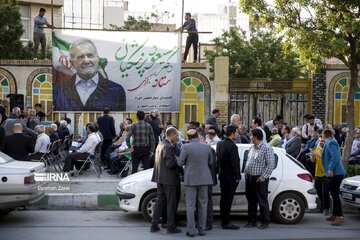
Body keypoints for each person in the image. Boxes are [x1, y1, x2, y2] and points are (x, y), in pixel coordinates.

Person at [53, 39, 126, 111]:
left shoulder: (116, 91)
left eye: (90, 56)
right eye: (80, 57)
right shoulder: (58, 91)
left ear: (97, 60)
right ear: (72, 63)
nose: (87, 61)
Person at [177, 129, 213, 237]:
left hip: (191, 179)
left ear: (188, 138)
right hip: (204, 178)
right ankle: (202, 229)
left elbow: (180, 162)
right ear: (197, 136)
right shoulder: (207, 147)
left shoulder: (186, 147)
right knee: (203, 204)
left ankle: (191, 230)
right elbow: (211, 162)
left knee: (190, 205)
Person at [150, 127, 181, 234]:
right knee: (171, 203)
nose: (178, 138)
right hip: (169, 179)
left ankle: (154, 225)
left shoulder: (160, 144)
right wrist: (177, 160)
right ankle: (171, 227)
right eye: (176, 135)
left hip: (160, 178)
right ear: (171, 135)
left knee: (159, 202)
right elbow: (170, 164)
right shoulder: (169, 147)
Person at [244, 128, 275, 229]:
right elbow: (248, 161)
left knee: (262, 201)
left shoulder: (267, 148)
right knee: (251, 201)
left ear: (256, 137)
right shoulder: (252, 147)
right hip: (250, 178)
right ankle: (252, 221)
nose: (250, 137)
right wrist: (246, 172)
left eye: (251, 135)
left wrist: (263, 177)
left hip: (259, 180)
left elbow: (270, 165)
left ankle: (265, 222)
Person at [216, 125, 241, 230]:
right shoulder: (232, 146)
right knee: (228, 199)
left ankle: (224, 220)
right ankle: (226, 222)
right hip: (230, 177)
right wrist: (237, 176)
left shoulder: (219, 144)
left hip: (222, 176)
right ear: (233, 133)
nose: (238, 134)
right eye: (237, 132)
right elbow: (235, 163)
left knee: (223, 199)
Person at [321, 129, 346, 226]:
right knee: (333, 194)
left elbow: (334, 156)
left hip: (335, 173)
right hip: (334, 173)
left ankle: (339, 216)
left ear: (323, 136)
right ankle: (335, 214)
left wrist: (330, 169)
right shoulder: (331, 142)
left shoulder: (331, 143)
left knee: (335, 195)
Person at [309, 137, 330, 216]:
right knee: (319, 192)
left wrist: (317, 154)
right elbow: (313, 161)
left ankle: (326, 208)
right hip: (318, 174)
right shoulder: (317, 149)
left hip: (326, 175)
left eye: (323, 141)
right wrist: (313, 155)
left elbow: (326, 160)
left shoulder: (328, 150)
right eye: (320, 141)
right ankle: (322, 207)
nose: (321, 142)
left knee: (325, 192)